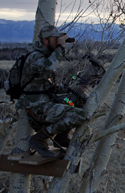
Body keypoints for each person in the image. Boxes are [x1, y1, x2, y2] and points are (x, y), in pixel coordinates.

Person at [15, 24, 88, 157]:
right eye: (55, 40)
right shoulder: (35, 57)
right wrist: (60, 48)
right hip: (38, 108)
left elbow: (48, 88)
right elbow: (49, 67)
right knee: (80, 115)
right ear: (45, 40)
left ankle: (61, 137)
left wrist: (73, 88)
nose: (57, 44)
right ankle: (39, 138)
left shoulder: (43, 56)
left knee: (76, 100)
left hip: (47, 103)